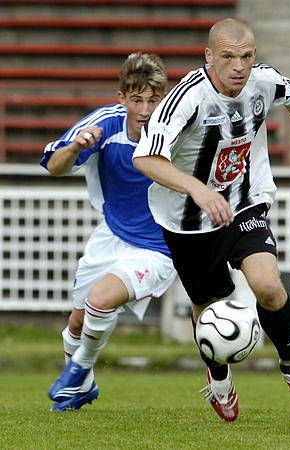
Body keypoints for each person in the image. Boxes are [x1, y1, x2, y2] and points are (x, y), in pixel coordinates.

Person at [133, 18, 290, 422]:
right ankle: (219, 377)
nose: (239, 66)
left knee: (269, 286)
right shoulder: (185, 99)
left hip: (243, 203)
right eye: (227, 57)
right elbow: (145, 158)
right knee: (206, 303)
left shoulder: (263, 81)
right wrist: (197, 189)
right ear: (209, 56)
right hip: (187, 218)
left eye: (246, 56)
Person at [40, 53, 177, 412]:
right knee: (76, 323)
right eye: (137, 100)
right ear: (122, 98)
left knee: (100, 300)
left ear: (164, 97)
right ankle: (82, 387)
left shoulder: (178, 128)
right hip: (110, 234)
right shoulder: (106, 123)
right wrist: (77, 145)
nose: (146, 109)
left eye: (153, 99)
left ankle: (78, 370)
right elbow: (54, 167)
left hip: (158, 247)